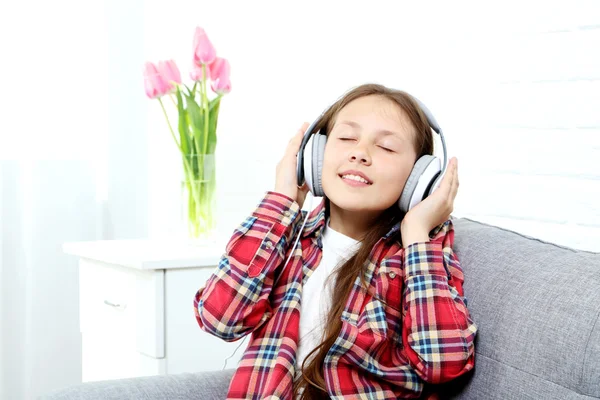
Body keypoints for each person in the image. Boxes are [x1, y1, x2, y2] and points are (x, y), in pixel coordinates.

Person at [194, 83, 478, 399]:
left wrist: (415, 233)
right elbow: (220, 319)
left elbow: (442, 364)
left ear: (420, 177)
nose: (360, 153)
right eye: (345, 138)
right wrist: (282, 200)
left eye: (386, 146)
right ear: (314, 155)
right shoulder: (288, 238)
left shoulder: (421, 250)